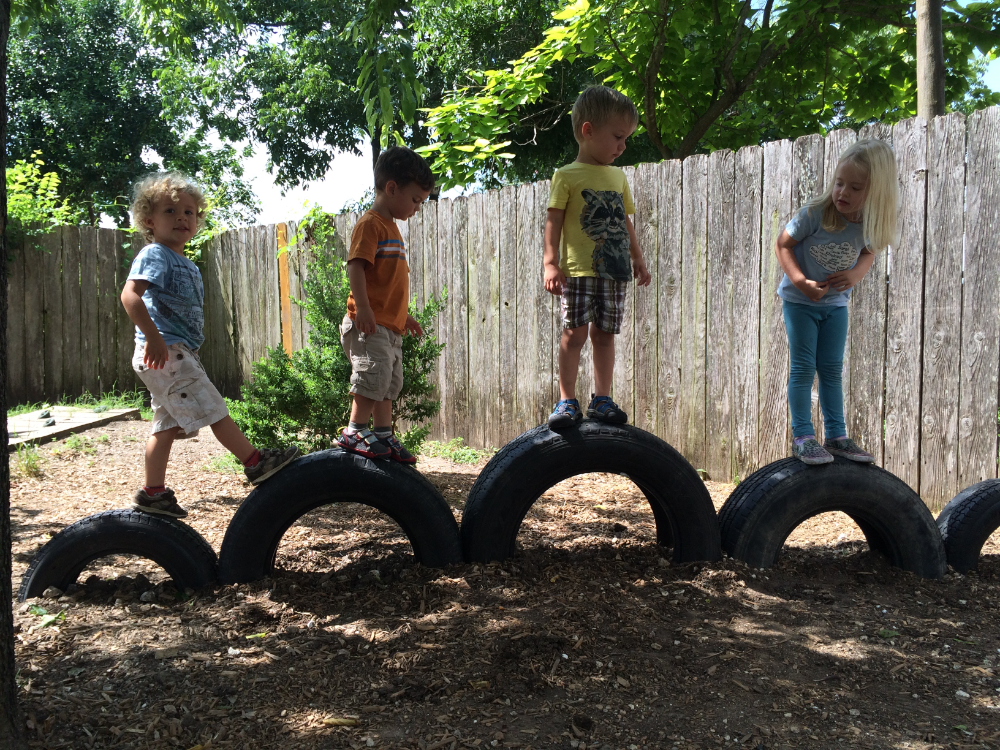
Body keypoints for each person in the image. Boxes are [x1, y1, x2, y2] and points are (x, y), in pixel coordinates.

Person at [121, 172, 299, 518]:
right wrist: (154, 338)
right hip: (166, 351)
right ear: (149, 220)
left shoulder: (184, 262)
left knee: (165, 425)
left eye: (189, 212)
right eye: (170, 211)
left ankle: (153, 492)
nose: (182, 218)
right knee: (215, 407)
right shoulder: (155, 254)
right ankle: (254, 462)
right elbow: (130, 297)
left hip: (176, 352)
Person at [774, 139, 899, 465]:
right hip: (800, 303)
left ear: (875, 193)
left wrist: (857, 274)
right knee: (803, 368)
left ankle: (837, 436)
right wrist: (800, 282)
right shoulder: (814, 214)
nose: (843, 192)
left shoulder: (869, 224)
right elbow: (783, 245)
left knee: (830, 369)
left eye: (855, 187)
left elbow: (869, 252)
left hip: (835, 306)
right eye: (839, 183)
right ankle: (802, 436)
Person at [543, 85, 652, 430]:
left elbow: (624, 221)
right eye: (618, 137)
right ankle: (566, 400)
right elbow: (554, 220)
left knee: (604, 335)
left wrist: (637, 256)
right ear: (588, 131)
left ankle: (601, 398)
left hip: (614, 271)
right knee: (573, 335)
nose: (623, 146)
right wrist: (550, 262)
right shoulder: (566, 176)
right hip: (576, 272)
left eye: (627, 139)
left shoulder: (618, 177)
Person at [336, 146, 435, 461]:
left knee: (389, 383)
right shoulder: (371, 224)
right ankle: (354, 430)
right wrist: (363, 308)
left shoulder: (391, 227)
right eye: (416, 200)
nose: (417, 208)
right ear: (392, 188)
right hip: (368, 323)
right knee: (371, 377)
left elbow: (387, 283)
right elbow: (356, 266)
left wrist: (402, 317)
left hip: (387, 324)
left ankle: (383, 435)